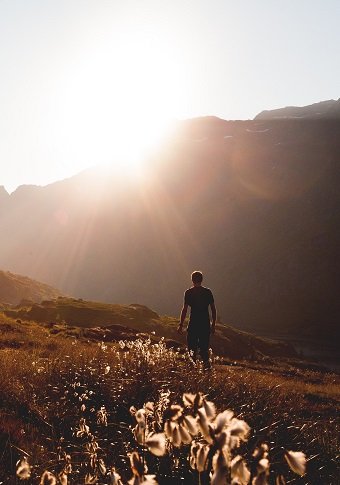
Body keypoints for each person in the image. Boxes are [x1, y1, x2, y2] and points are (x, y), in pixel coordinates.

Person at [177, 271, 216, 369]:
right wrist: (213, 325)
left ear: (192, 280)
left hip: (193, 324)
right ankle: (207, 373)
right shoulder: (207, 292)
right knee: (204, 350)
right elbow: (213, 309)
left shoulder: (188, 293)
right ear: (201, 280)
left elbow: (185, 309)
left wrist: (181, 324)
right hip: (204, 325)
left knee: (192, 350)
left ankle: (192, 372)